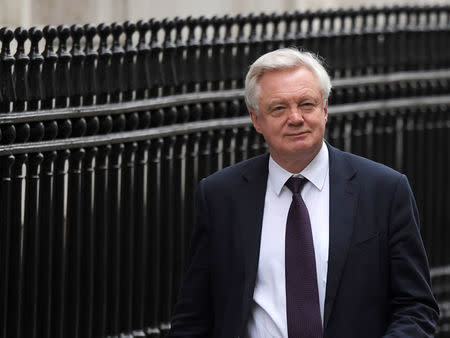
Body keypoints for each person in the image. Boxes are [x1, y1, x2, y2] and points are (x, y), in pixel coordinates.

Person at [167, 48, 439, 337]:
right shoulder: (220, 196)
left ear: (324, 109)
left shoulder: (384, 190)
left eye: (306, 104)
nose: (295, 118)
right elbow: (194, 317)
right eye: (279, 108)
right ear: (256, 119)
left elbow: (416, 307)